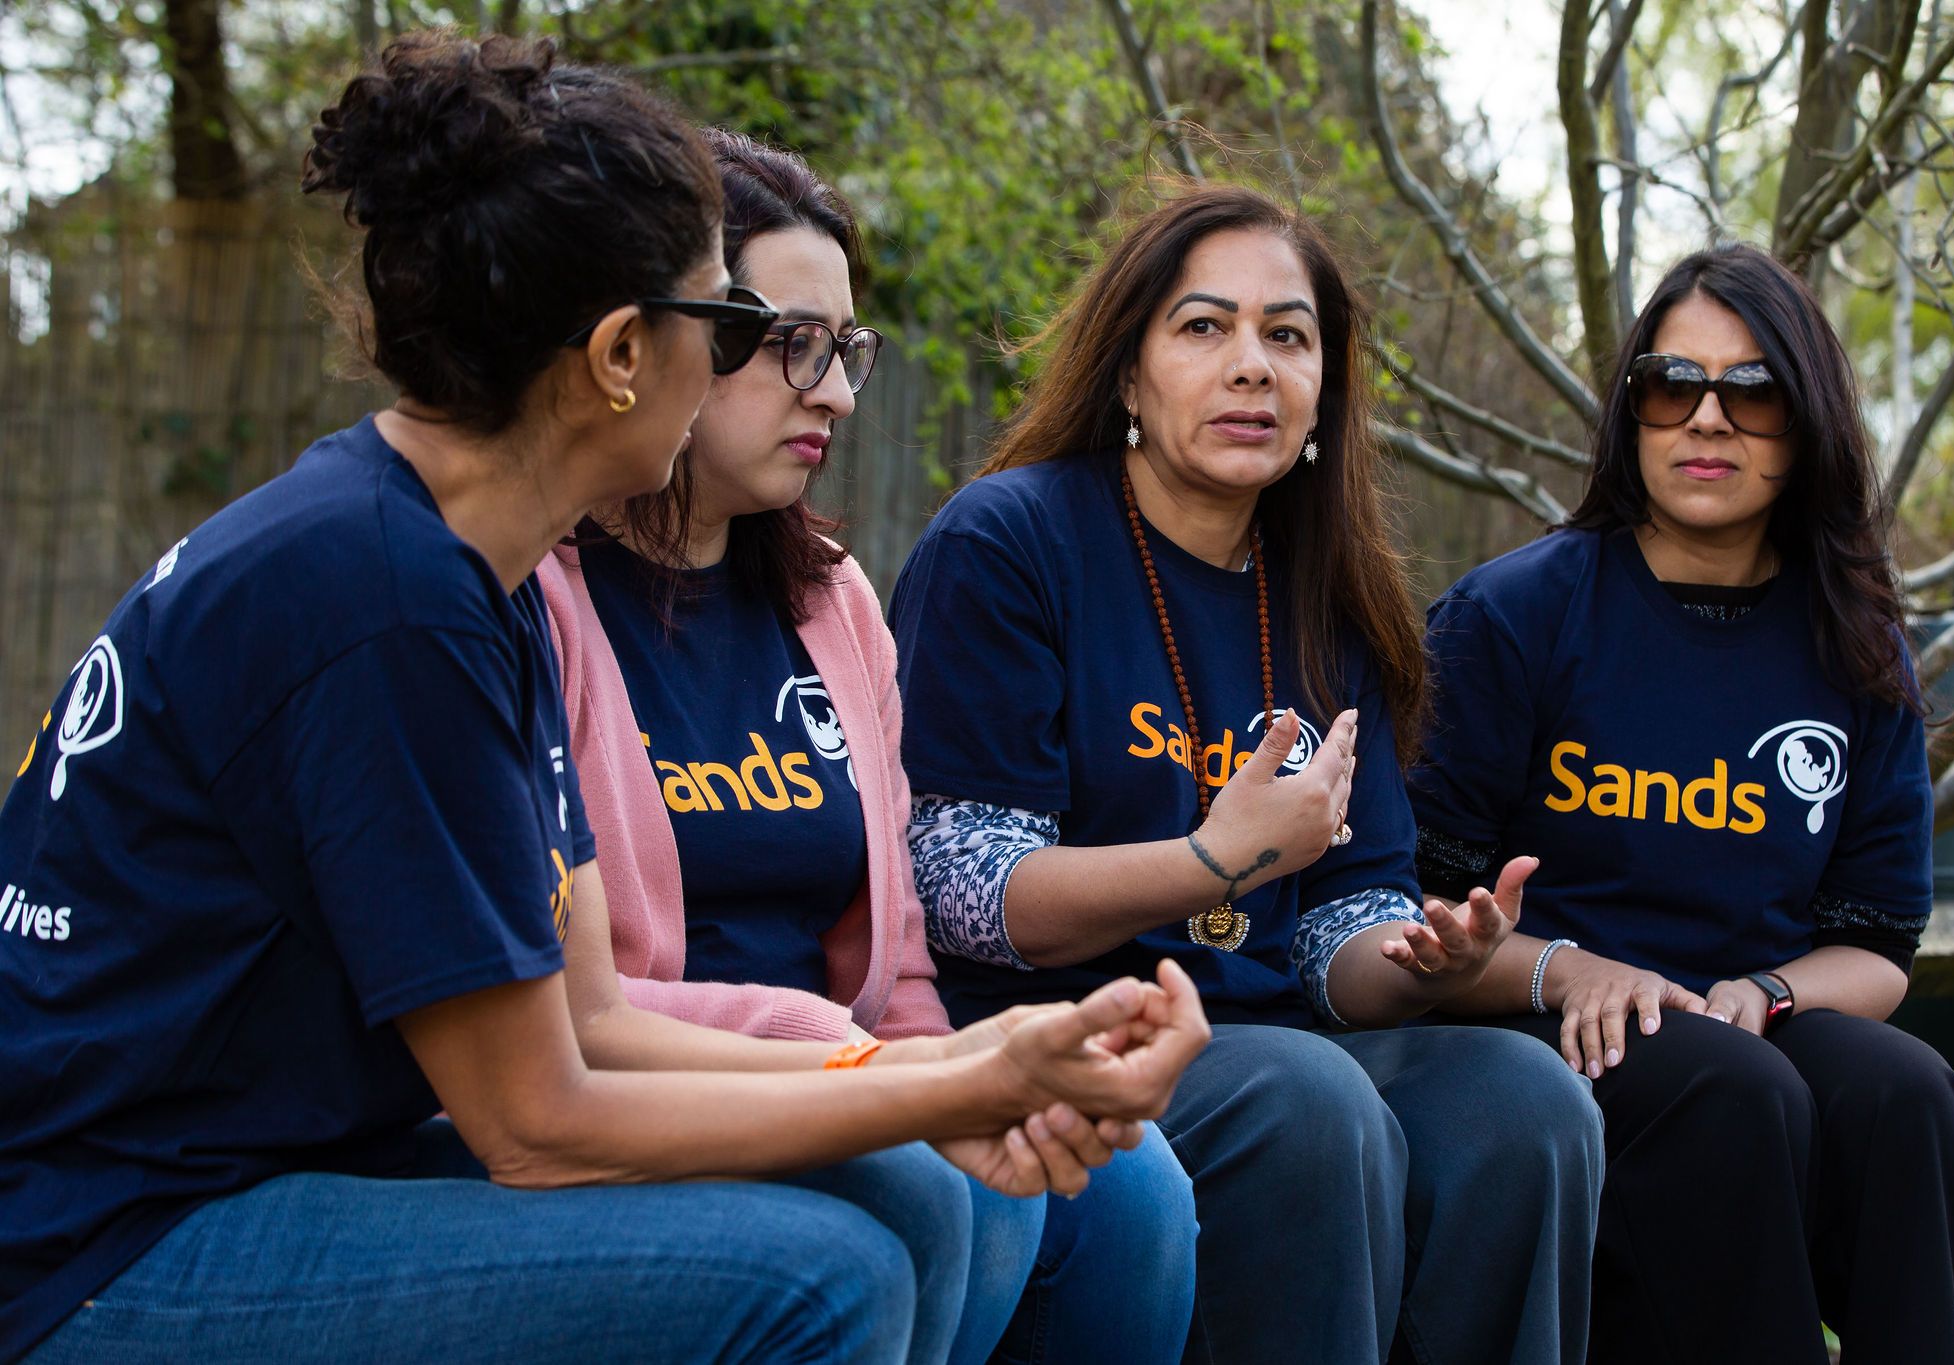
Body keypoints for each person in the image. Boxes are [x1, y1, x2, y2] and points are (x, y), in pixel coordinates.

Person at [0, 33, 1208, 1365]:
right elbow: (538, 1119)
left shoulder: (477, 572)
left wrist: (941, 1076)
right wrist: (958, 1082)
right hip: (109, 1238)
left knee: (898, 1192)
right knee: (821, 1281)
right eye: (736, 326)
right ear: (625, 352)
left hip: (260, 1161)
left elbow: (592, 1018)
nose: (796, 379)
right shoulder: (385, 602)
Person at [888, 183, 1603, 1365]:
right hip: (1060, 1028)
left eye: (1286, 336)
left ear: (1325, 387)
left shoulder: (1328, 597)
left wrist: (1427, 960)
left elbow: (1340, 929)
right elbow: (963, 888)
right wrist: (1212, 860)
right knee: (1304, 1103)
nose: (1250, 367)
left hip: (1275, 1030)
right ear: (1126, 373)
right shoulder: (1008, 542)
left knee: (1523, 1106)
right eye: (1203, 327)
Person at [535, 128, 1198, 1365]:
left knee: (1135, 1187)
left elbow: (893, 968)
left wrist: (941, 1065)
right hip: (664, 1087)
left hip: (844, 1069)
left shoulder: (833, 604)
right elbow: (578, 1013)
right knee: (941, 1180)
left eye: (844, 351)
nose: (834, 392)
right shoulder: (540, 601)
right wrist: (871, 1071)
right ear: (662, 335)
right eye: (792, 345)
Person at [1405, 242, 1954, 1364]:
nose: (1705, 419)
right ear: (1631, 412)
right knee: (1735, 1097)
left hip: (1749, 1020)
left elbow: (1877, 945)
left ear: (1808, 423)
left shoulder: (1856, 647)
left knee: (1914, 1102)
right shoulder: (1513, 618)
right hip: (1546, 1024)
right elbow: (1414, 918)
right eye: (1670, 384)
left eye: (1753, 392)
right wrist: (1563, 967)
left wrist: (1765, 993)